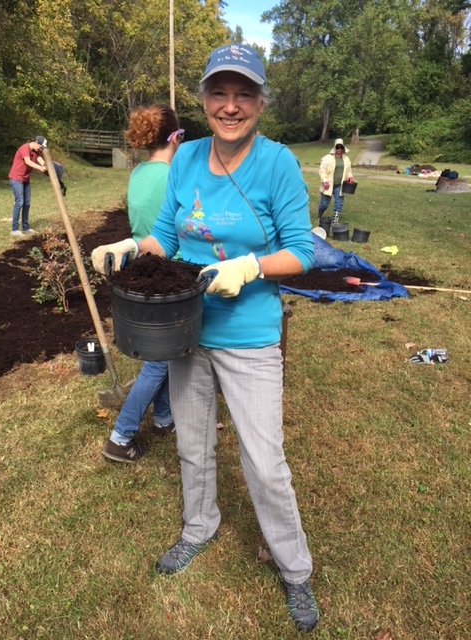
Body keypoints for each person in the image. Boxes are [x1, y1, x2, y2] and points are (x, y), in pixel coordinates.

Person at [92, 44, 319, 632]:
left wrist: (250, 268)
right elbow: (164, 234)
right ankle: (200, 525)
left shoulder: (277, 165)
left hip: (248, 333)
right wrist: (127, 248)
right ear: (202, 100)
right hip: (185, 328)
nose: (231, 105)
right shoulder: (186, 159)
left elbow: (302, 250)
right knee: (193, 442)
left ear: (261, 102)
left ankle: (294, 568)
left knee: (264, 461)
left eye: (244, 93)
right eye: (219, 92)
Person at [102, 104, 185, 464]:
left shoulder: (137, 173)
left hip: (141, 270)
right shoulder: (174, 176)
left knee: (166, 355)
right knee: (161, 359)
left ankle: (164, 417)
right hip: (171, 275)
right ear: (176, 138)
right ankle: (120, 436)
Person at [8, 136, 48, 236]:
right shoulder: (24, 148)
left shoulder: (36, 152)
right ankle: (14, 229)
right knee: (20, 202)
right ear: (36, 142)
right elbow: (28, 161)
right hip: (16, 179)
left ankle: (25, 227)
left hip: (25, 179)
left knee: (27, 203)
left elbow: (41, 161)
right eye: (41, 147)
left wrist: (48, 167)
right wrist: (40, 168)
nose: (41, 149)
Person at [318, 138, 353, 225]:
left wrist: (350, 177)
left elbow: (349, 171)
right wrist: (325, 181)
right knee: (324, 204)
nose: (339, 149)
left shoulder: (346, 159)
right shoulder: (327, 158)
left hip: (339, 185)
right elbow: (322, 171)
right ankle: (319, 216)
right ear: (335, 148)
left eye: (341, 147)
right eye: (337, 147)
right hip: (328, 185)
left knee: (339, 203)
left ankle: (335, 221)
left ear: (343, 148)